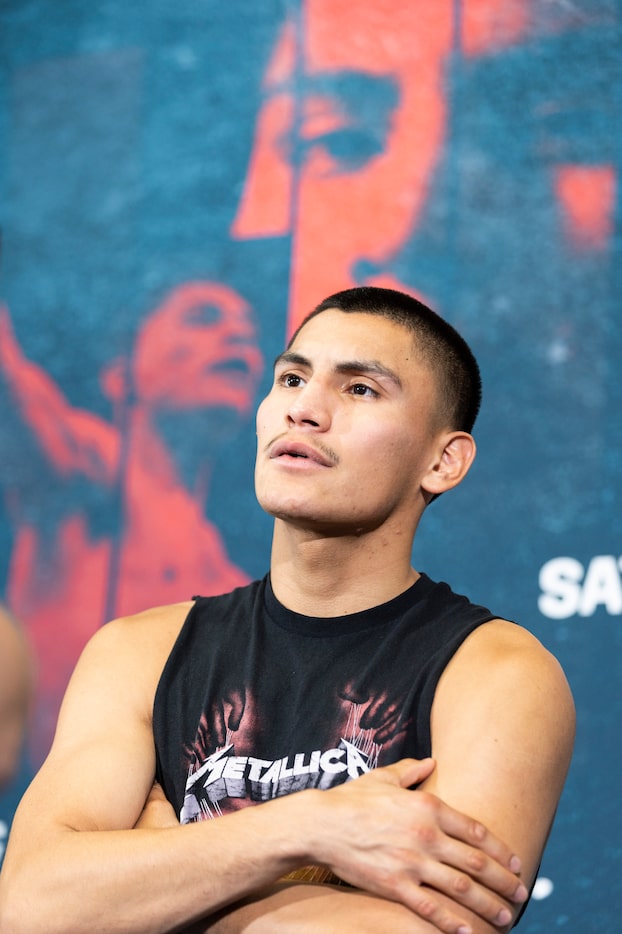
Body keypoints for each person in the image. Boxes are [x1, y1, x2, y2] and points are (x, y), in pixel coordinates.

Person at [0, 286, 575, 934]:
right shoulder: (138, 653)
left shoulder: (497, 674)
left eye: (360, 389)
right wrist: (308, 829)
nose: (304, 408)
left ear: (443, 461)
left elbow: (424, 929)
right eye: (292, 377)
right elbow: (31, 904)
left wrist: (154, 875)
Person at [0, 280, 263, 761]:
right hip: (30, 810)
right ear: (122, 376)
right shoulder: (85, 474)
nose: (238, 335)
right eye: (203, 317)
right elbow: (14, 394)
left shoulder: (234, 586)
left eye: (249, 330)